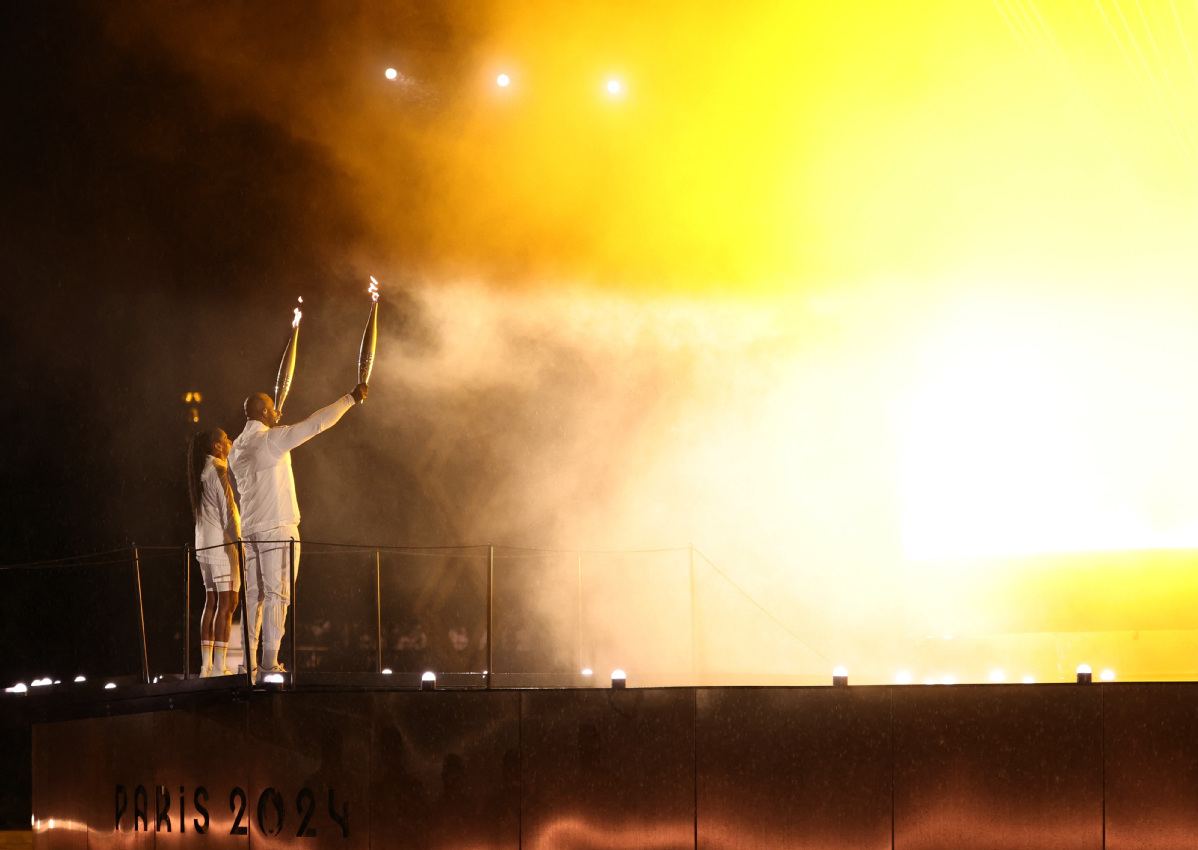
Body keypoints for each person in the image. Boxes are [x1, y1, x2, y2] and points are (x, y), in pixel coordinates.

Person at [228, 383, 368, 682]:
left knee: (254, 596)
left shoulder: (236, 449)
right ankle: (269, 663)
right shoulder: (272, 441)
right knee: (278, 595)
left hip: (250, 530)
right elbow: (316, 423)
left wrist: (272, 422)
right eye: (270, 409)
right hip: (277, 527)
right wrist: (350, 399)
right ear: (265, 412)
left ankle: (249, 664)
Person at [186, 428, 242, 677]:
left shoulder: (201, 470)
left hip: (203, 544)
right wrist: (241, 540)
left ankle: (206, 667)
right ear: (217, 447)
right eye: (226, 439)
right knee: (228, 603)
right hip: (221, 544)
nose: (230, 441)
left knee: (212, 601)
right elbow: (228, 509)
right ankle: (220, 667)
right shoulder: (218, 469)